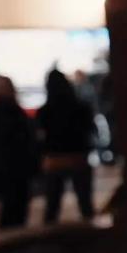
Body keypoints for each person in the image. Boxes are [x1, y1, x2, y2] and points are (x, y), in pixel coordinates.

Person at [37, 70, 97, 223]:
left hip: (54, 160)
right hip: (78, 158)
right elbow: (90, 129)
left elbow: (40, 137)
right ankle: (92, 238)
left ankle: (48, 241)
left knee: (52, 207)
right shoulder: (81, 108)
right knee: (85, 204)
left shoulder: (45, 111)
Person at [0, 75, 38, 228]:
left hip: (5, 165)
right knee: (17, 204)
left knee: (9, 204)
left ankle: (9, 237)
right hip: (17, 165)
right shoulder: (15, 113)